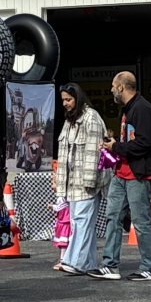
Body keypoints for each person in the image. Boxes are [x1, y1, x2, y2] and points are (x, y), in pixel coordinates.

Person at [89, 72, 151, 282]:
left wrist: (116, 147)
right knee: (113, 217)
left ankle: (150, 267)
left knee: (140, 220)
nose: (112, 90)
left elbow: (144, 143)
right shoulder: (129, 109)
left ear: (121, 87)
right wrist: (114, 144)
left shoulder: (142, 109)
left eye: (113, 86)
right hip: (122, 172)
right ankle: (110, 265)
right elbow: (132, 140)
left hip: (139, 174)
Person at [53, 83, 108, 275]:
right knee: (80, 222)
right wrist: (61, 187)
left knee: (82, 222)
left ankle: (74, 261)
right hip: (72, 183)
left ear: (78, 98)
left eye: (68, 99)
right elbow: (63, 156)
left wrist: (89, 182)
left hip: (85, 182)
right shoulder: (70, 120)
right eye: (63, 100)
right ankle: (87, 263)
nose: (65, 103)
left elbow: (94, 152)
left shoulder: (91, 118)